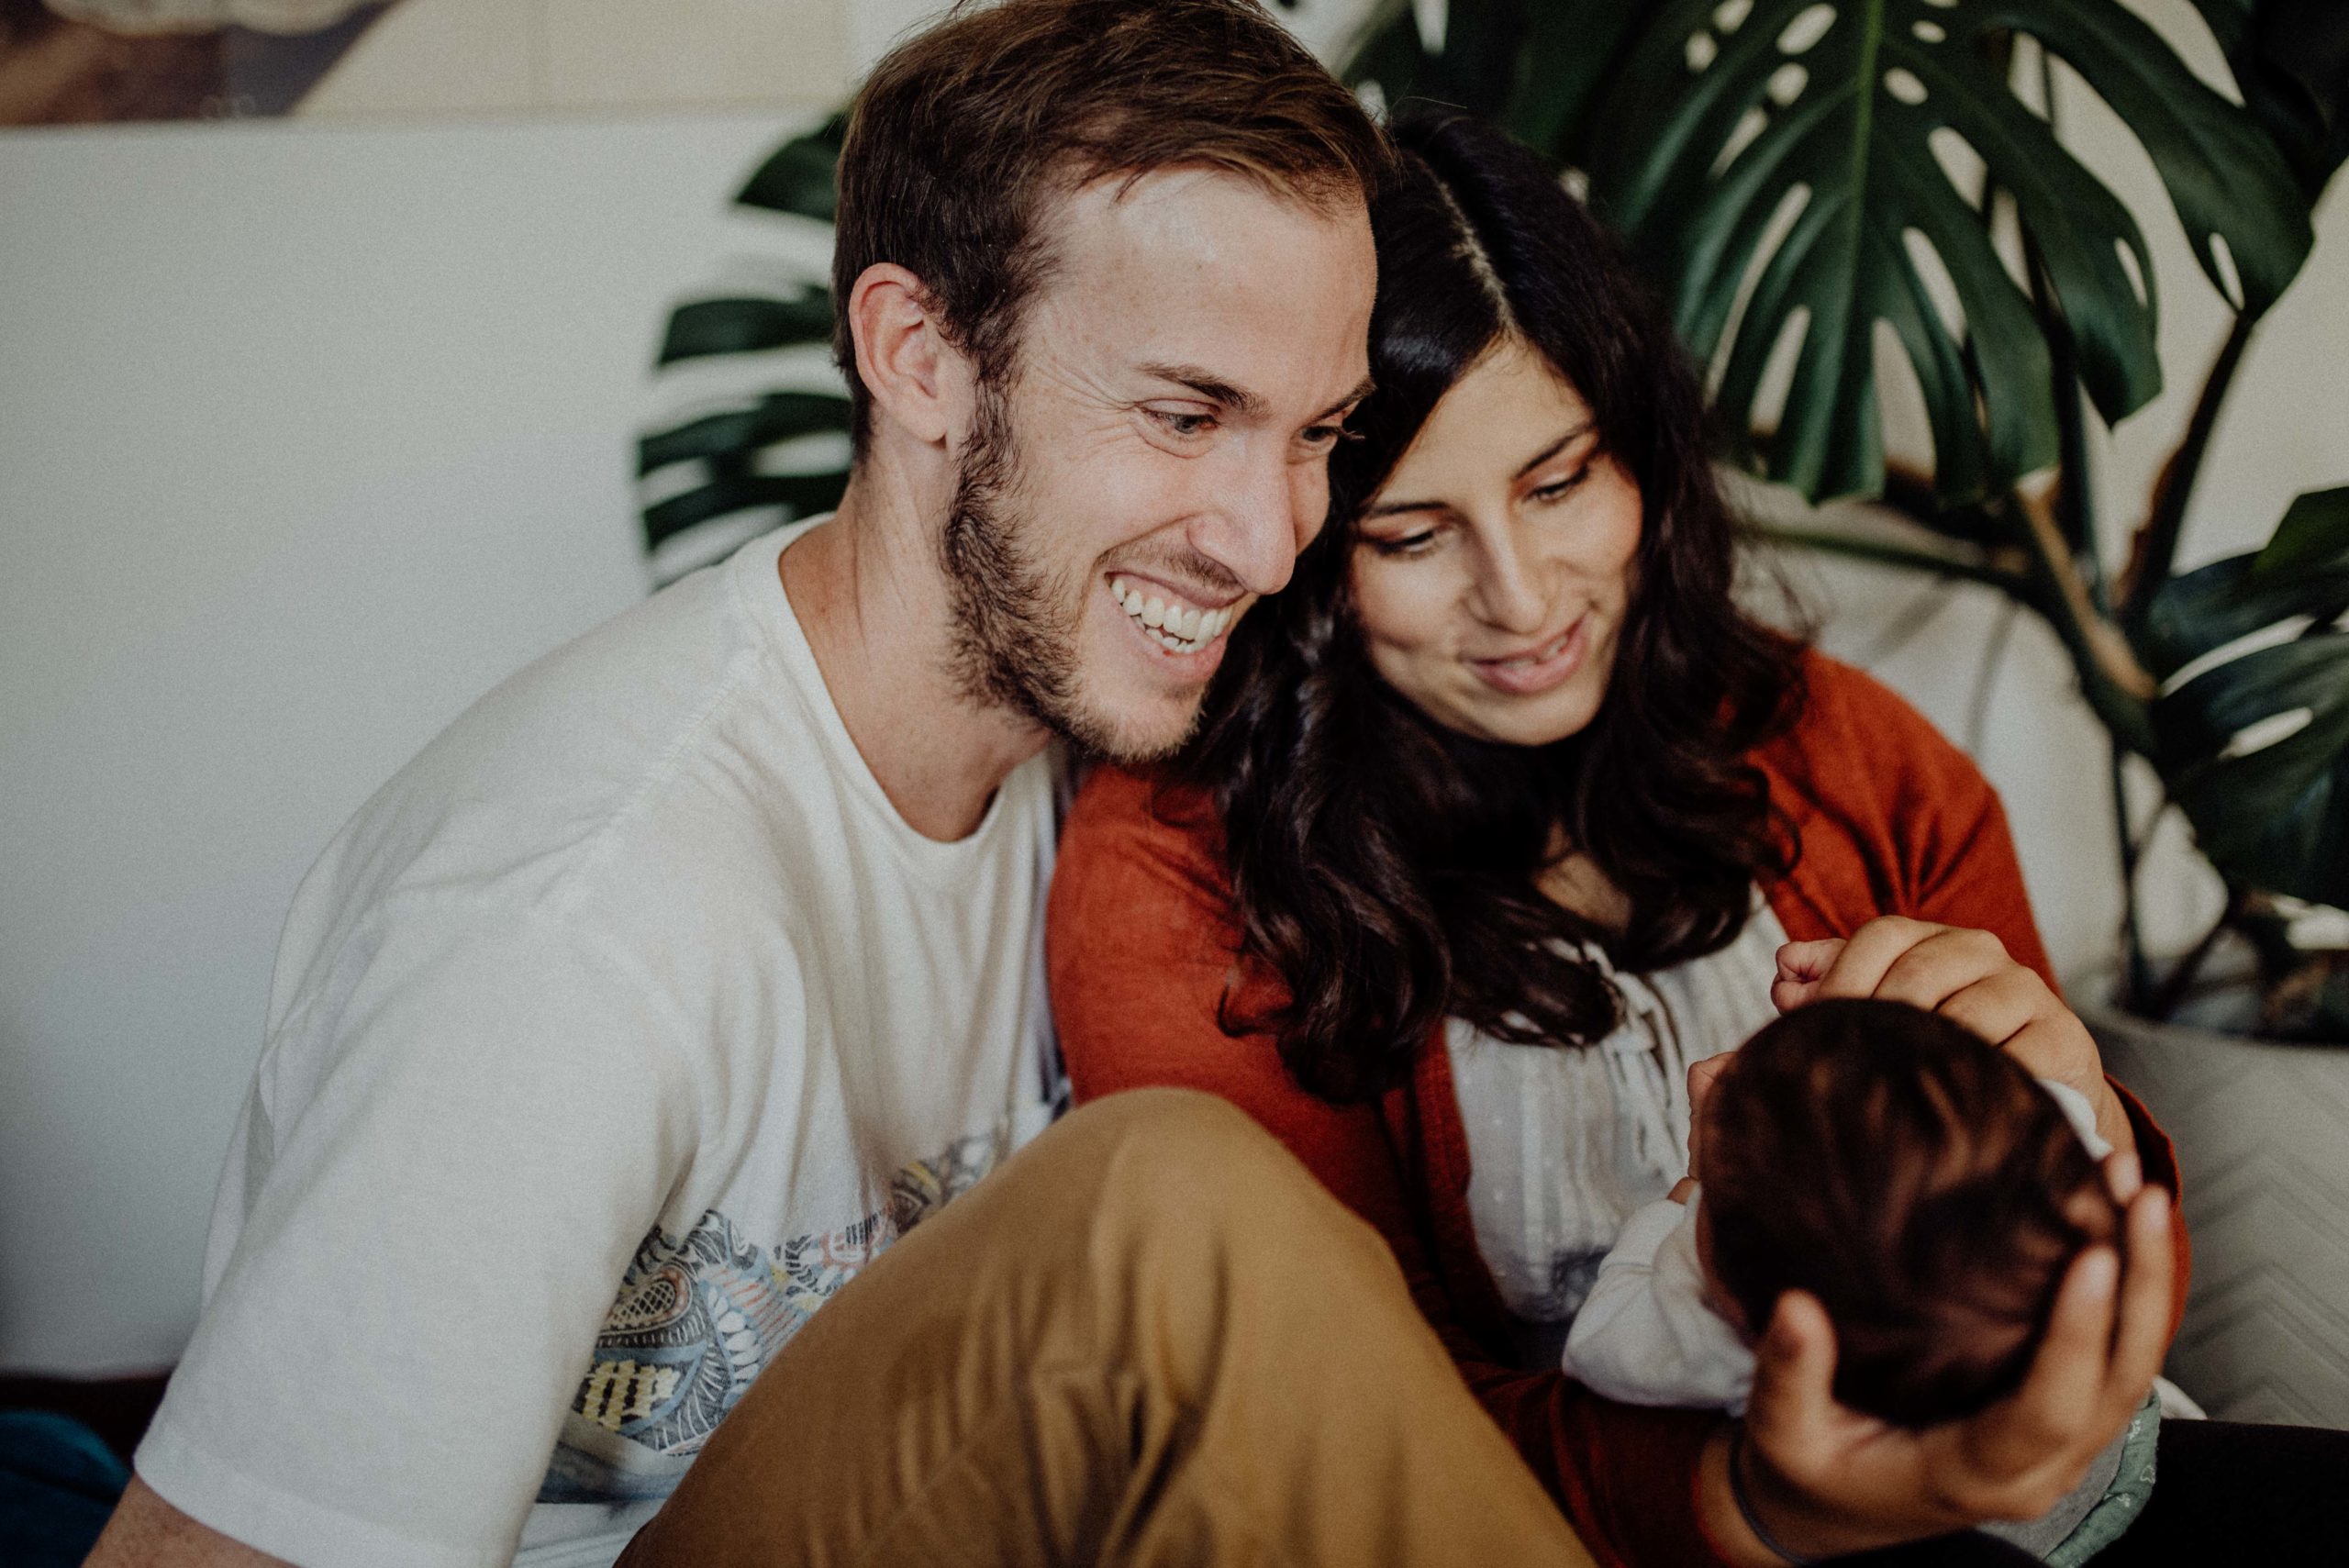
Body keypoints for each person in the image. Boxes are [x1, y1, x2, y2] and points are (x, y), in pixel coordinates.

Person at [86, 7, 1599, 1566]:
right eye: (1185, 414)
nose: (1272, 540)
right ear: (919, 354)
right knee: (1167, 1219)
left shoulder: (1087, 770)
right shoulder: (579, 917)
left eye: (1318, 436)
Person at [1049, 106, 2349, 1565]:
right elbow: (1340, 1433)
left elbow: (2090, 1274)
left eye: (1560, 484)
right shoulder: (1177, 876)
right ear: (1294, 549)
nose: (1526, 597)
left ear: (1648, 457)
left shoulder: (1839, 747)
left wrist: (2076, 1113)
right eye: (1410, 537)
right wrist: (1762, 1498)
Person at [1562, 988, 2159, 1565]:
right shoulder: (2043, 1165)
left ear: (1738, 1310)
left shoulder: (1718, 1337)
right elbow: (2044, 1110)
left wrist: (1684, 1192)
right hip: (2120, 1461)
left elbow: (1598, 1340)